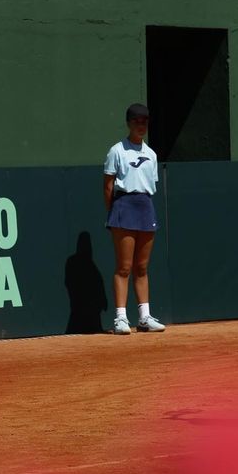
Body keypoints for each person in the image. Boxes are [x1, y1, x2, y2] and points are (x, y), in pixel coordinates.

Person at [102, 104, 165, 335]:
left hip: (145, 208)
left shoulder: (151, 155)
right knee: (124, 267)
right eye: (137, 121)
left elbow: (150, 186)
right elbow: (108, 186)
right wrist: (114, 213)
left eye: (145, 121)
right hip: (123, 208)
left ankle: (144, 317)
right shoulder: (117, 151)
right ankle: (120, 318)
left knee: (142, 267)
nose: (142, 125)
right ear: (129, 123)